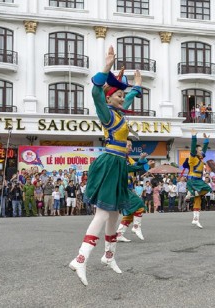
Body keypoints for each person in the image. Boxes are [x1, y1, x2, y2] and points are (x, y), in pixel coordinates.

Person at [69, 46, 142, 286]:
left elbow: (128, 96)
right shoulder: (108, 115)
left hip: (119, 165)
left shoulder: (119, 113)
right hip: (111, 162)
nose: (124, 97)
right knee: (103, 213)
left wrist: (136, 86)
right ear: (109, 98)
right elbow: (96, 93)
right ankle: (81, 258)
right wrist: (106, 67)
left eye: (123, 96)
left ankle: (108, 256)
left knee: (115, 213)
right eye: (119, 95)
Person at [116, 138, 149, 242]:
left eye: (131, 146)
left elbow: (135, 166)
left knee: (130, 213)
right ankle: (136, 227)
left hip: (123, 188)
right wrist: (142, 161)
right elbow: (133, 168)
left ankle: (119, 234)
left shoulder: (126, 158)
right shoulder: (118, 158)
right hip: (118, 189)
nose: (131, 148)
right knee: (140, 205)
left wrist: (142, 159)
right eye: (128, 145)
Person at [185, 129, 211, 228]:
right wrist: (194, 136)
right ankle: (191, 193)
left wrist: (206, 141)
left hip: (199, 181)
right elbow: (193, 148)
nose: (201, 151)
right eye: (199, 150)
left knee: (198, 200)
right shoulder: (192, 158)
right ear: (196, 152)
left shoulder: (201, 158)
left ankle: (195, 219)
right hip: (193, 180)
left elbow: (204, 150)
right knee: (207, 188)